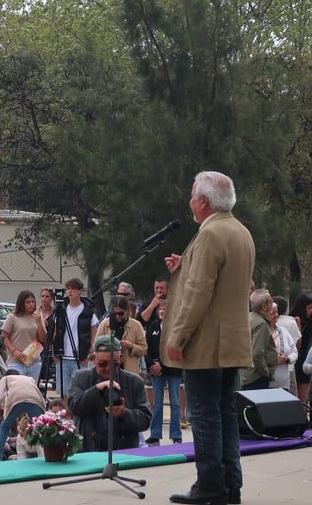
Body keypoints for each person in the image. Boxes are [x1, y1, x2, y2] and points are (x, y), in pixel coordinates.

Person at [163, 171, 255, 505]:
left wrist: (179, 335)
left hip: (206, 343)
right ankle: (231, 485)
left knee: (203, 415)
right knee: (226, 415)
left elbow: (199, 292)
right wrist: (184, 266)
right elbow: (227, 282)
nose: (189, 200)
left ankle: (209, 484)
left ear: (203, 201)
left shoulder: (209, 235)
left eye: (192, 195)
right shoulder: (240, 231)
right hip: (232, 341)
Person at [69, 335, 151, 451]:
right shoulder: (81, 377)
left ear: (121, 359)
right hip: (87, 451)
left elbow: (145, 420)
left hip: (123, 452)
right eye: (102, 364)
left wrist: (124, 413)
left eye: (114, 364)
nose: (108, 369)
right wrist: (96, 390)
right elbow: (74, 407)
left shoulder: (134, 381)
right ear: (93, 358)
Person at [145, 300, 184, 445]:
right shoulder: (153, 326)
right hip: (156, 371)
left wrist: (162, 365)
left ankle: (176, 435)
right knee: (157, 403)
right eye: (160, 308)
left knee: (174, 402)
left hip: (173, 369)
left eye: (165, 309)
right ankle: (155, 433)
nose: (162, 311)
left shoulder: (175, 327)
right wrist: (151, 365)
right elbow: (146, 348)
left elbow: (177, 347)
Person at [55, 278, 98, 398]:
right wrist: (54, 348)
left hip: (80, 356)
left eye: (73, 289)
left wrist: (90, 351)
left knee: (79, 390)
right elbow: (56, 331)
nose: (70, 291)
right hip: (63, 355)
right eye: (68, 289)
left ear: (80, 291)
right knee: (63, 392)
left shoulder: (87, 311)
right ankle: (65, 413)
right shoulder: (61, 309)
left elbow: (93, 331)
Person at [0, 369, 46, 461]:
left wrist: (5, 413)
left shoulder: (4, 380)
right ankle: (49, 453)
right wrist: (43, 412)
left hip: (14, 399)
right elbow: (37, 392)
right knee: (42, 427)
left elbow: (2, 397)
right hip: (34, 399)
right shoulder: (29, 378)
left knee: (5, 427)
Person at [2, 289, 48, 382]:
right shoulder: (13, 317)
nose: (31, 304)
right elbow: (4, 337)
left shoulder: (37, 316)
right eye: (27, 302)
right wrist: (14, 351)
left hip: (33, 359)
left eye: (32, 301)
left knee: (31, 389)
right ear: (21, 303)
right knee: (17, 387)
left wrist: (39, 321)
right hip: (16, 360)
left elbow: (43, 339)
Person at [95, 295, 148, 375]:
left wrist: (131, 346)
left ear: (127, 311)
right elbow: (96, 346)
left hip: (129, 372)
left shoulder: (136, 325)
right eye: (114, 313)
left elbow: (144, 349)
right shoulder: (105, 324)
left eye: (121, 313)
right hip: (108, 371)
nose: (117, 316)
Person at [241, 289, 278, 391]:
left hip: (246, 374)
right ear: (264, 306)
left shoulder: (248, 317)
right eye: (270, 301)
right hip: (256, 377)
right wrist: (266, 372)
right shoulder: (261, 324)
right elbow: (257, 353)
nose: (273, 303)